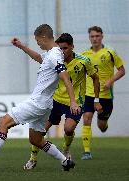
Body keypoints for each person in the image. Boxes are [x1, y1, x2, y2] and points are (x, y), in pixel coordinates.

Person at [0, 24, 80, 172]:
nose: (38, 43)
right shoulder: (53, 53)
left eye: (37, 40)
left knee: (3, 123)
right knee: (35, 140)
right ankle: (65, 161)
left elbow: (65, 77)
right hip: (46, 105)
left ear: (43, 37)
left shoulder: (54, 55)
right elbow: (39, 58)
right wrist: (21, 46)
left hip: (38, 103)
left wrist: (73, 101)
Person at [23, 33, 102, 170]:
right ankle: (33, 158)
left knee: (68, 128)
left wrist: (96, 100)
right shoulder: (54, 58)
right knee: (39, 131)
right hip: (55, 101)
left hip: (75, 102)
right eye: (60, 49)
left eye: (65, 48)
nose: (62, 52)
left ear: (72, 47)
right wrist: (21, 45)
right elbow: (37, 57)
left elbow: (95, 78)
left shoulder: (83, 61)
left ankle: (66, 150)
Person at [81, 26, 126, 160]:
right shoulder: (84, 55)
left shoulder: (110, 52)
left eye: (97, 36)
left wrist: (110, 81)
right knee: (86, 118)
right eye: (92, 36)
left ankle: (104, 124)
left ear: (102, 37)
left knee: (101, 126)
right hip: (89, 94)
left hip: (105, 96)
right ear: (89, 38)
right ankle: (87, 152)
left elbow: (122, 70)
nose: (95, 39)